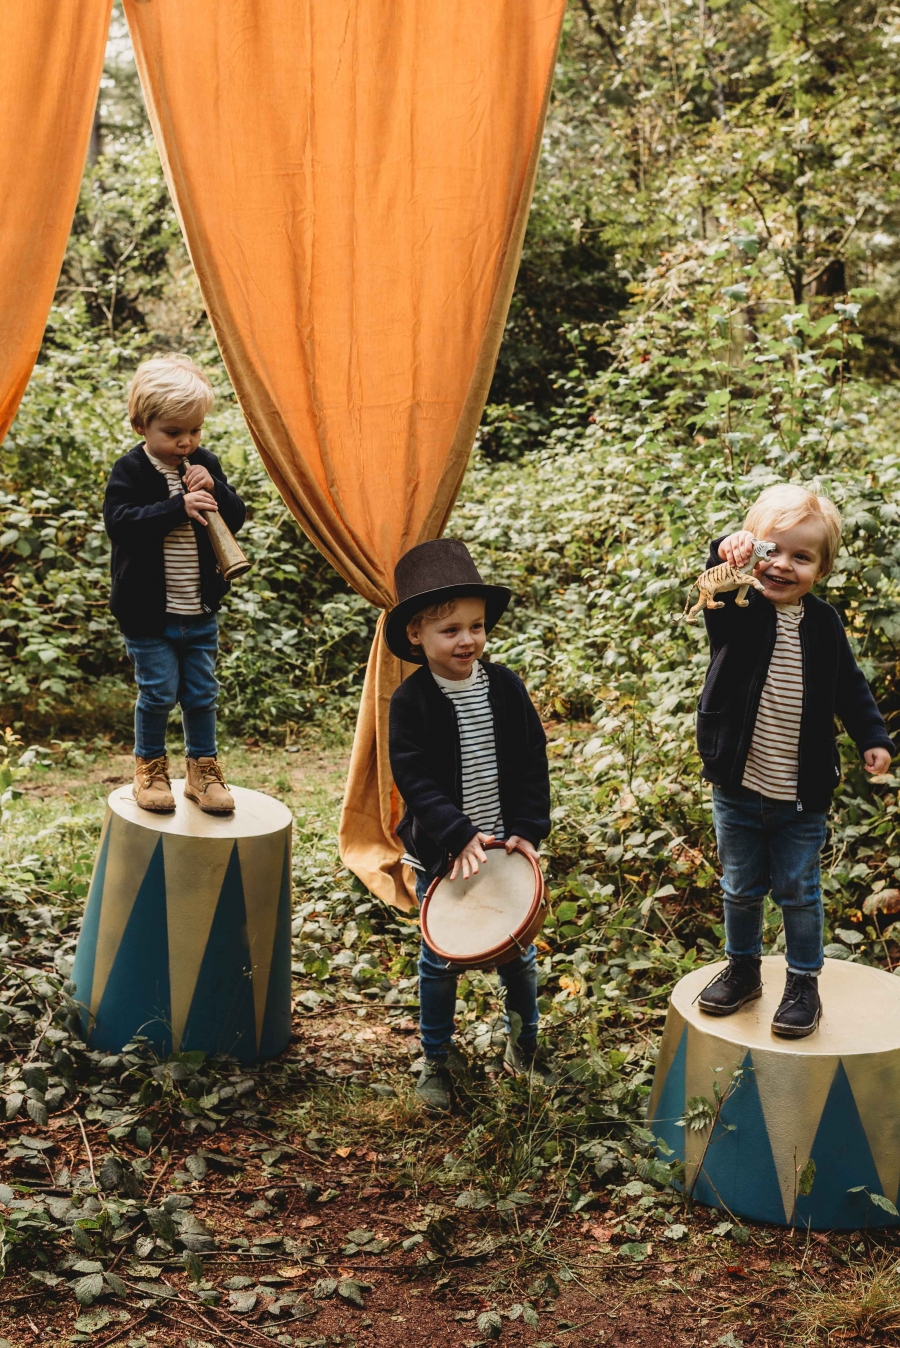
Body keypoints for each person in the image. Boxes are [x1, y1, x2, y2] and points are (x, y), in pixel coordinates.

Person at [695, 483, 893, 1037]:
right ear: (750, 554)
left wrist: (872, 735)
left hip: (801, 795)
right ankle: (743, 969)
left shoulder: (825, 625)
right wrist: (725, 553)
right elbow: (716, 585)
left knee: (799, 892)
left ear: (820, 569)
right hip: (738, 786)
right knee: (739, 886)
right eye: (769, 550)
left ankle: (803, 981)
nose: (782, 565)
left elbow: (850, 688)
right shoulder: (738, 609)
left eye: (800, 557)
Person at [387, 539, 552, 1111]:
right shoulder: (411, 703)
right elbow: (415, 780)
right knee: (440, 958)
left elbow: (532, 758)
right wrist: (455, 834)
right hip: (445, 852)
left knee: (518, 952)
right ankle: (436, 1057)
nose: (467, 640)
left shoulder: (504, 687)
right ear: (416, 635)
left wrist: (527, 829)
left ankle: (523, 1046)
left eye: (476, 626)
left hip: (503, 847)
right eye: (450, 630)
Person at [103, 355, 246, 814]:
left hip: (199, 611)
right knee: (159, 692)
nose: (186, 442)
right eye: (173, 432)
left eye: (195, 431)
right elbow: (119, 524)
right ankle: (150, 770)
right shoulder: (131, 471)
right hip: (149, 616)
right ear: (142, 425)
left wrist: (217, 491)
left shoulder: (203, 463)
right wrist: (175, 507)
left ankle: (203, 772)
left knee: (202, 693)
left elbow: (236, 518)